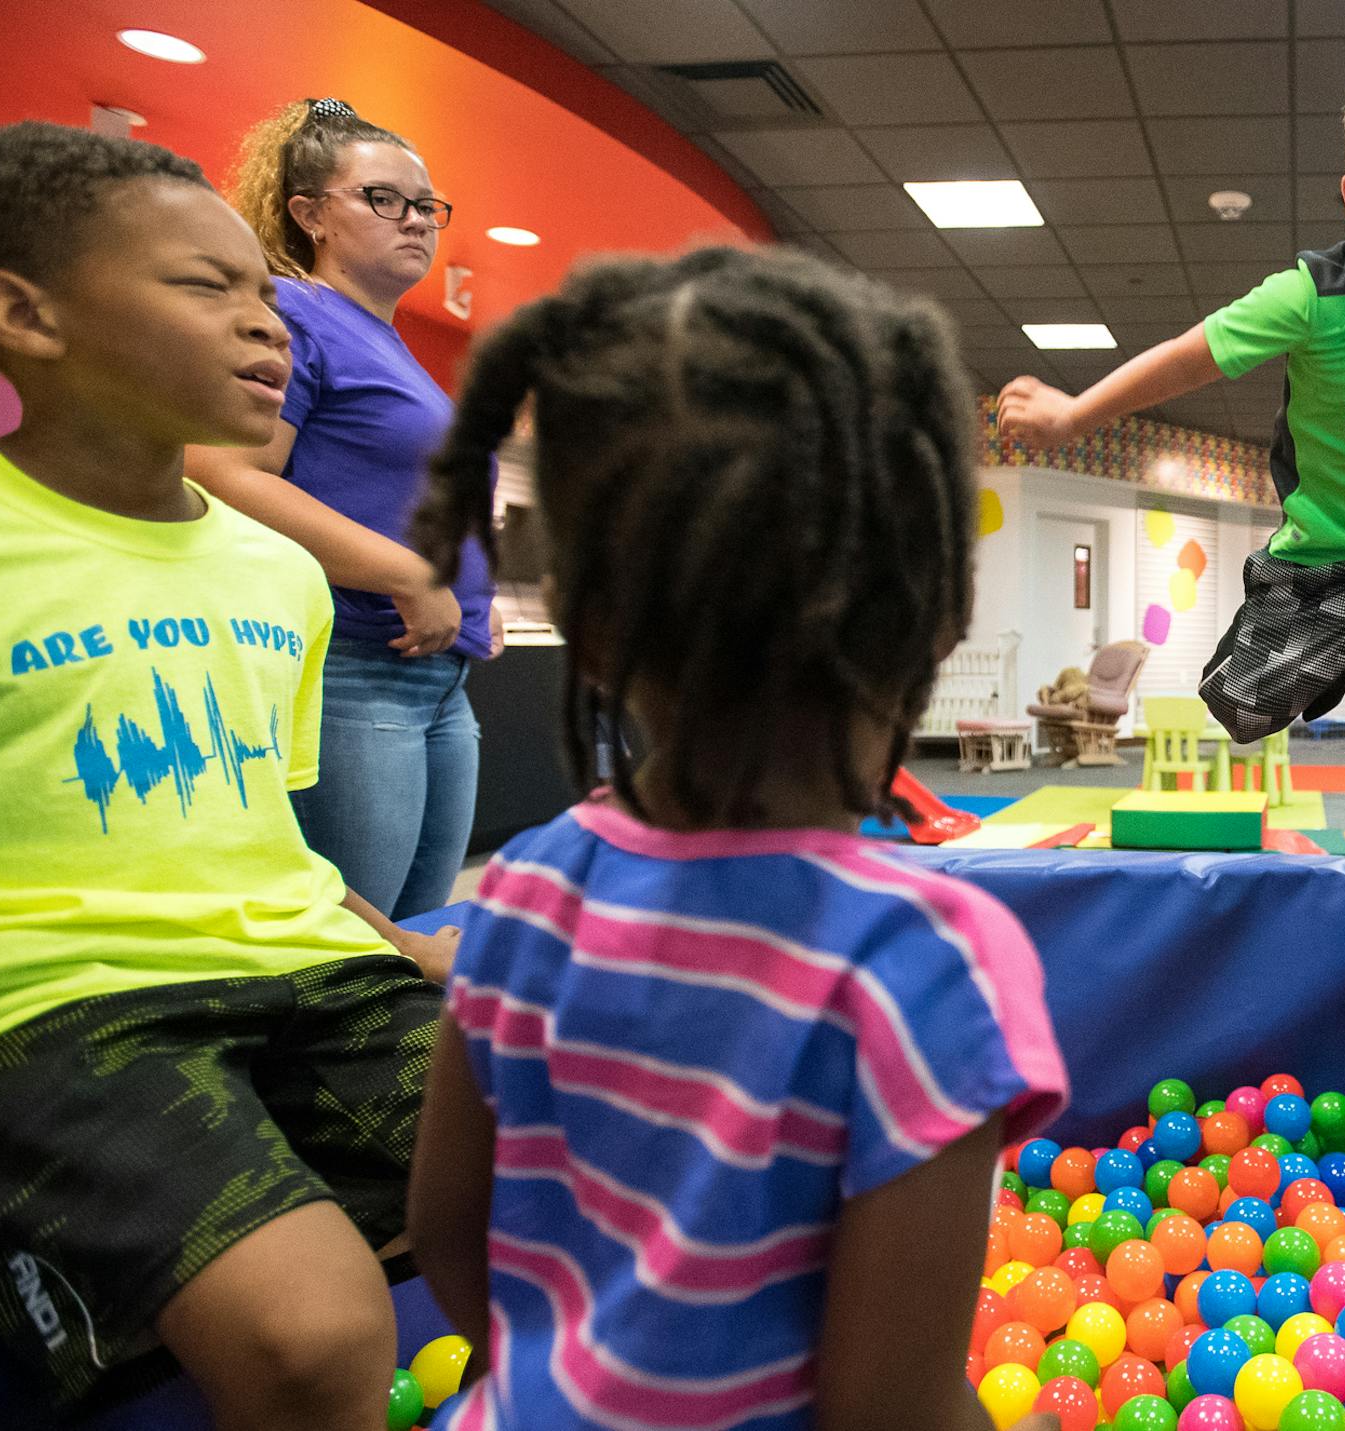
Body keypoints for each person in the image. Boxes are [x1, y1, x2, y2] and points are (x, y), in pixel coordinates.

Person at [402, 246, 1070, 1431]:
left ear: (590, 626)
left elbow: (451, 1238)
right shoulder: (925, 961)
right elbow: (890, 1411)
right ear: (929, 606)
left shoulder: (525, 891)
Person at [0, 120, 456, 1429]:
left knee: (602, 1166)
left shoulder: (281, 573)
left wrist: (411, 948)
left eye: (265, 290)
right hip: (68, 1001)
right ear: (26, 313)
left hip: (310, 971)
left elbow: (254, 834)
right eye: (209, 289)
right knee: (315, 1333)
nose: (269, 326)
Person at [997, 35, 1345, 763]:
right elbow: (1187, 361)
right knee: (1245, 709)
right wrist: (1072, 415)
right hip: (1324, 554)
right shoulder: (1317, 298)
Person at [188, 97, 491, 921]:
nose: (416, 220)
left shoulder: (387, 341)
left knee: (417, 944)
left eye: (427, 206)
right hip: (353, 670)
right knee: (351, 958)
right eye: (384, 199)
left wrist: (472, 599)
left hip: (437, 678)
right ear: (310, 213)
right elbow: (219, 471)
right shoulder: (296, 313)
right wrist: (404, 570)